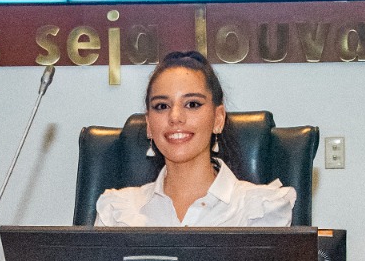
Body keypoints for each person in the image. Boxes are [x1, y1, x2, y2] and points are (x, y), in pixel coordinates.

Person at [95, 50, 296, 227]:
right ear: (149, 125)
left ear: (218, 119)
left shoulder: (261, 209)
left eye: (192, 104)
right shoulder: (117, 212)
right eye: (162, 106)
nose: (175, 117)